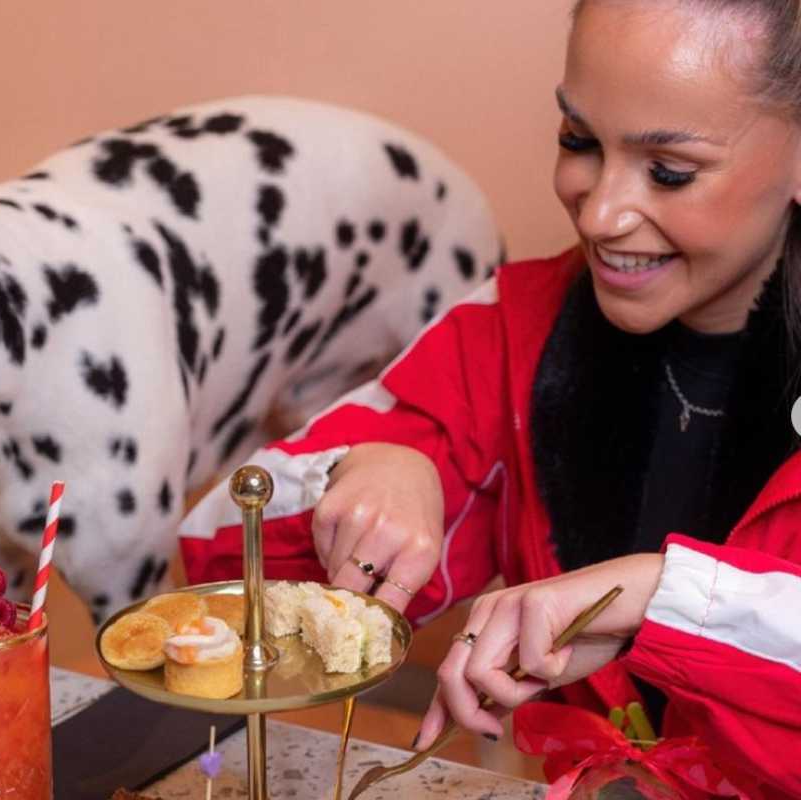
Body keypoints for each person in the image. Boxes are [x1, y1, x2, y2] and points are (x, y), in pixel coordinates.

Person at [178, 1, 801, 795]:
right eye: (578, 142)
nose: (599, 211)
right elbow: (217, 552)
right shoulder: (515, 329)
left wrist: (659, 599)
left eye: (668, 171)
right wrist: (372, 469)